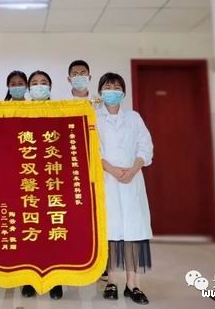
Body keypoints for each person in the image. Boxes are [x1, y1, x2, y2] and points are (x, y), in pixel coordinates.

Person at [96, 72, 153, 305]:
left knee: (133, 232)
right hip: (107, 180)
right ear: (100, 91)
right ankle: (111, 281)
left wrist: (134, 168)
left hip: (132, 180)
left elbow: (145, 146)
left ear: (123, 92)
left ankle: (133, 285)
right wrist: (111, 169)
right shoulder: (94, 117)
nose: (112, 91)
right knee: (110, 232)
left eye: (117, 87)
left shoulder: (134, 117)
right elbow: (92, 149)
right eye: (108, 87)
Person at [21, 70, 63, 300]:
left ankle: (55, 280)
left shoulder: (61, 110)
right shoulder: (20, 111)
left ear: (50, 86)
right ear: (29, 89)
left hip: (53, 177)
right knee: (31, 230)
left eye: (43, 82)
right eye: (35, 83)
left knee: (54, 230)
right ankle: (29, 279)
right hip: (28, 179)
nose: (39, 86)